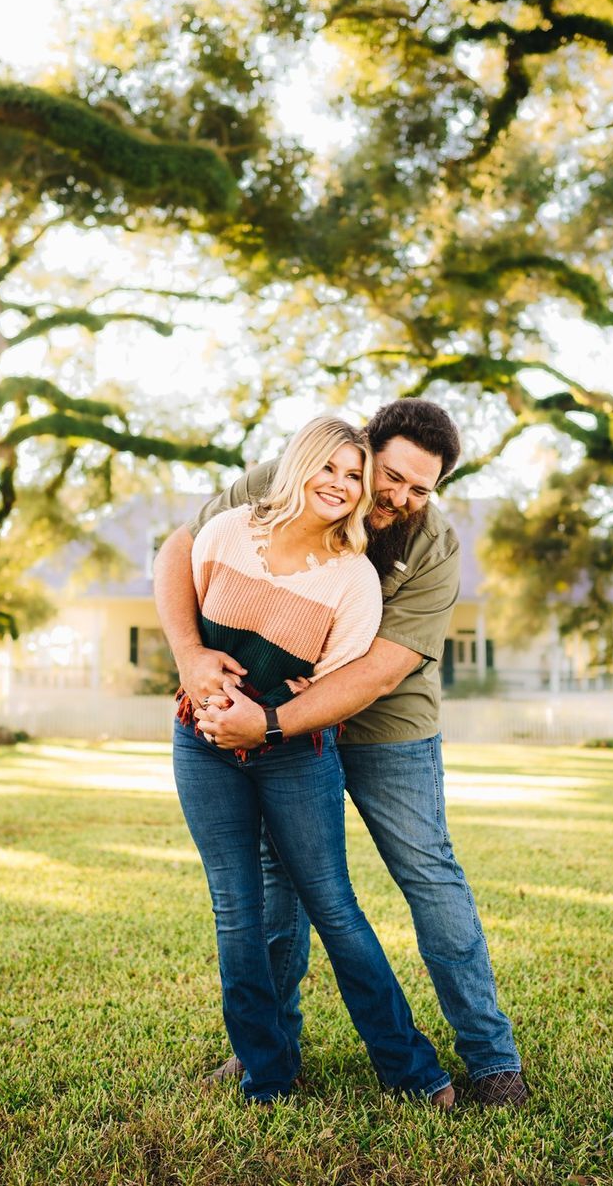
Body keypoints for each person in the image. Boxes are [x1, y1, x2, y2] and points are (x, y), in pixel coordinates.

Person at [156, 399, 528, 1108]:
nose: (398, 497)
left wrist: (269, 723)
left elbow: (379, 671)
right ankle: (269, 1052)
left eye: (421, 488)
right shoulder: (300, 477)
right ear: (365, 448)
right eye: (389, 475)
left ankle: (491, 1058)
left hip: (386, 724)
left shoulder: (432, 544)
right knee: (270, 895)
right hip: (273, 723)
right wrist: (192, 654)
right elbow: (185, 547)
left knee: (426, 873)